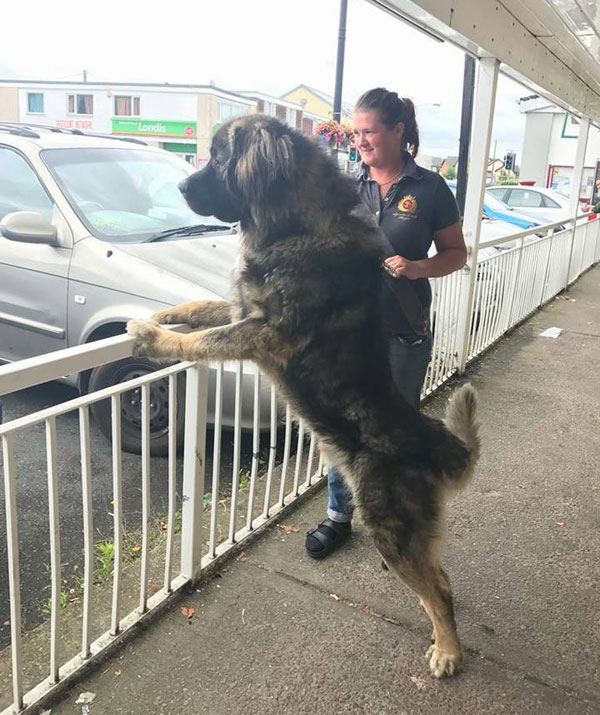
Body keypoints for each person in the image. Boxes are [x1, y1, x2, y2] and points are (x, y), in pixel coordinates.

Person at [305, 87, 468, 559]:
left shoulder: (430, 189)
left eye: (369, 131)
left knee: (392, 432)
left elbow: (456, 255)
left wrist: (418, 267)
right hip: (348, 335)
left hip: (402, 334)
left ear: (397, 131)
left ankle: (395, 521)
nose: (361, 141)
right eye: (355, 133)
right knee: (343, 428)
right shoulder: (344, 188)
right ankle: (340, 515)